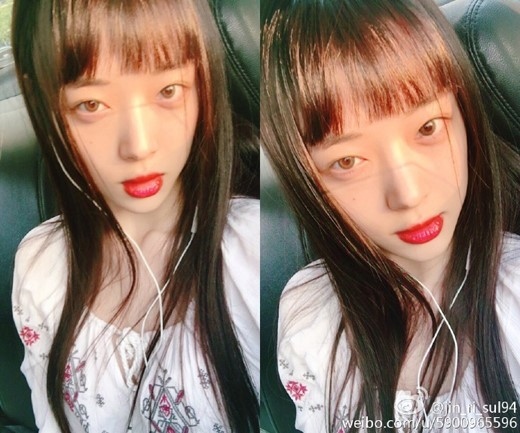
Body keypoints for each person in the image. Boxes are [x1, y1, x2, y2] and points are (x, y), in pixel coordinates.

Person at [261, 0, 520, 432]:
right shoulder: (309, 315)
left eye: (428, 128)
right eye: (347, 161)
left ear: (466, 119)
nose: (409, 195)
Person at [10, 0, 259, 432]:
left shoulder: (253, 258)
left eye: (169, 91)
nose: (139, 146)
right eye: (91, 104)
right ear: (46, 103)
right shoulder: (41, 265)